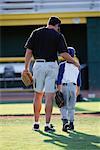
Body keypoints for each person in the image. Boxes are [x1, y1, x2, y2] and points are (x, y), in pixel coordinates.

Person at [23, 16, 80, 132]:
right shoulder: (58, 35)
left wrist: (26, 68)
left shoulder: (36, 32)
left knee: (38, 95)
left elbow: (28, 51)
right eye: (59, 26)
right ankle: (47, 125)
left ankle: (36, 123)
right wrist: (74, 62)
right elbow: (64, 54)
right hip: (52, 66)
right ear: (57, 25)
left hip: (38, 65)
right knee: (49, 96)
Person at [57, 47, 81, 132]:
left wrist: (58, 90)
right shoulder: (77, 65)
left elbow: (59, 78)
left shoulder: (62, 65)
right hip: (74, 87)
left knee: (63, 106)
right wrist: (78, 90)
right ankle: (71, 123)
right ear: (73, 55)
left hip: (65, 86)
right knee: (72, 107)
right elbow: (78, 80)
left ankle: (65, 122)